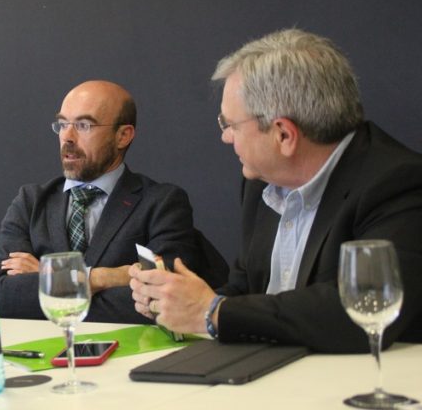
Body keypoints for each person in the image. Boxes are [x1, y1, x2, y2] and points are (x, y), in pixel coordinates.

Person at [130, 29, 422, 352]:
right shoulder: (261, 184)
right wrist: (179, 300)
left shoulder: (399, 183)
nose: (225, 138)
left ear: (283, 134)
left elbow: (362, 308)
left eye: (230, 125)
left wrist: (214, 312)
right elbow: (248, 288)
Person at [0, 80, 228, 323]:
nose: (68, 137)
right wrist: (105, 277)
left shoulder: (162, 203)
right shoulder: (30, 202)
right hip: (43, 355)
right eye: (63, 124)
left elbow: (162, 300)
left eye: (84, 125)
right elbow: (3, 297)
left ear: (123, 135)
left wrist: (54, 279)